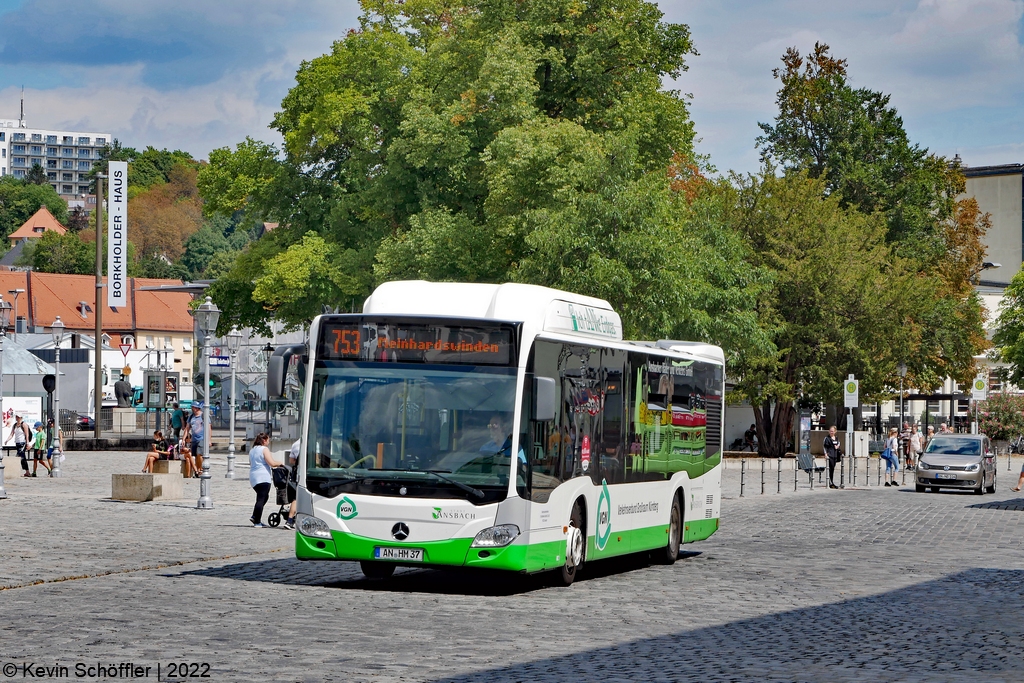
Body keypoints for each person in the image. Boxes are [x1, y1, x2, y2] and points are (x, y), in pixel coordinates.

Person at [248, 432, 283, 527]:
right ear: (264, 440)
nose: (269, 441)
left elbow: (250, 463)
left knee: (263, 497)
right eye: (268, 440)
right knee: (261, 498)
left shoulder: (252, 450)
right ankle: (257, 520)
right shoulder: (264, 449)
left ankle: (255, 516)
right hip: (263, 477)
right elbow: (271, 463)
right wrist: (280, 463)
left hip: (253, 477)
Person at [184, 403, 205, 473]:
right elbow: (187, 428)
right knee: (195, 455)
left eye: (193, 407)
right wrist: (184, 439)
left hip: (202, 438)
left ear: (196, 408)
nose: (192, 409)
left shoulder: (203, 416)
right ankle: (198, 469)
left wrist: (209, 439)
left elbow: (209, 427)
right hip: (194, 439)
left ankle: (201, 469)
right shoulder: (191, 417)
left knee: (199, 453)